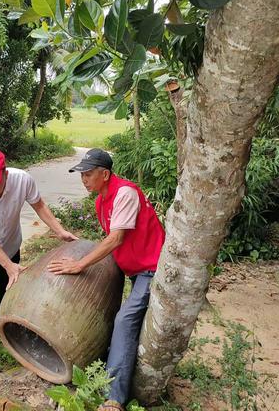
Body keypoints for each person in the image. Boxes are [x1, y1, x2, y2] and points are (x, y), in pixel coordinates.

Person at [47, 148, 165, 411]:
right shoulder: (102, 200)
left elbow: (116, 239)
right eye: (82, 175)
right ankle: (105, 368)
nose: (84, 179)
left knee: (124, 320)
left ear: (105, 174)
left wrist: (80, 264)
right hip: (134, 271)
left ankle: (114, 399)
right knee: (119, 318)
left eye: (88, 174)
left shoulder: (125, 193)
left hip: (152, 269)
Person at [0, 147, 77, 356]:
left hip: (10, 240)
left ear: (5, 174)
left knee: (7, 285)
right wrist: (9, 265)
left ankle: (0, 325)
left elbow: (39, 206)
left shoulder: (23, 180)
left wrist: (60, 231)